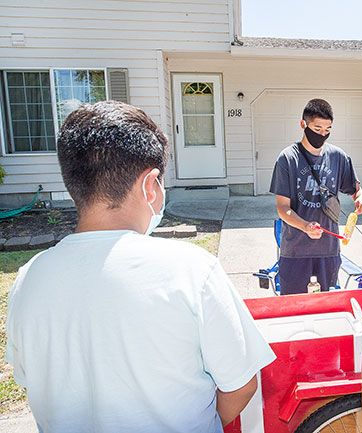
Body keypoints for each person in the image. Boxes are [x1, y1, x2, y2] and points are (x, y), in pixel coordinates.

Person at [5, 101, 276, 433]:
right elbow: (241, 382)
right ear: (150, 185)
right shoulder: (192, 271)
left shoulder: (28, 279)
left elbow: (30, 381)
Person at [270, 98, 362, 295]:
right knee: (294, 307)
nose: (322, 134)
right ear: (303, 124)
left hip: (329, 250)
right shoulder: (288, 158)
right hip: (296, 251)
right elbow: (282, 207)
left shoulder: (338, 157)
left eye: (327, 129)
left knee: (326, 307)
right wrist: (304, 226)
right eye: (317, 129)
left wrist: (361, 197)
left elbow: (356, 189)